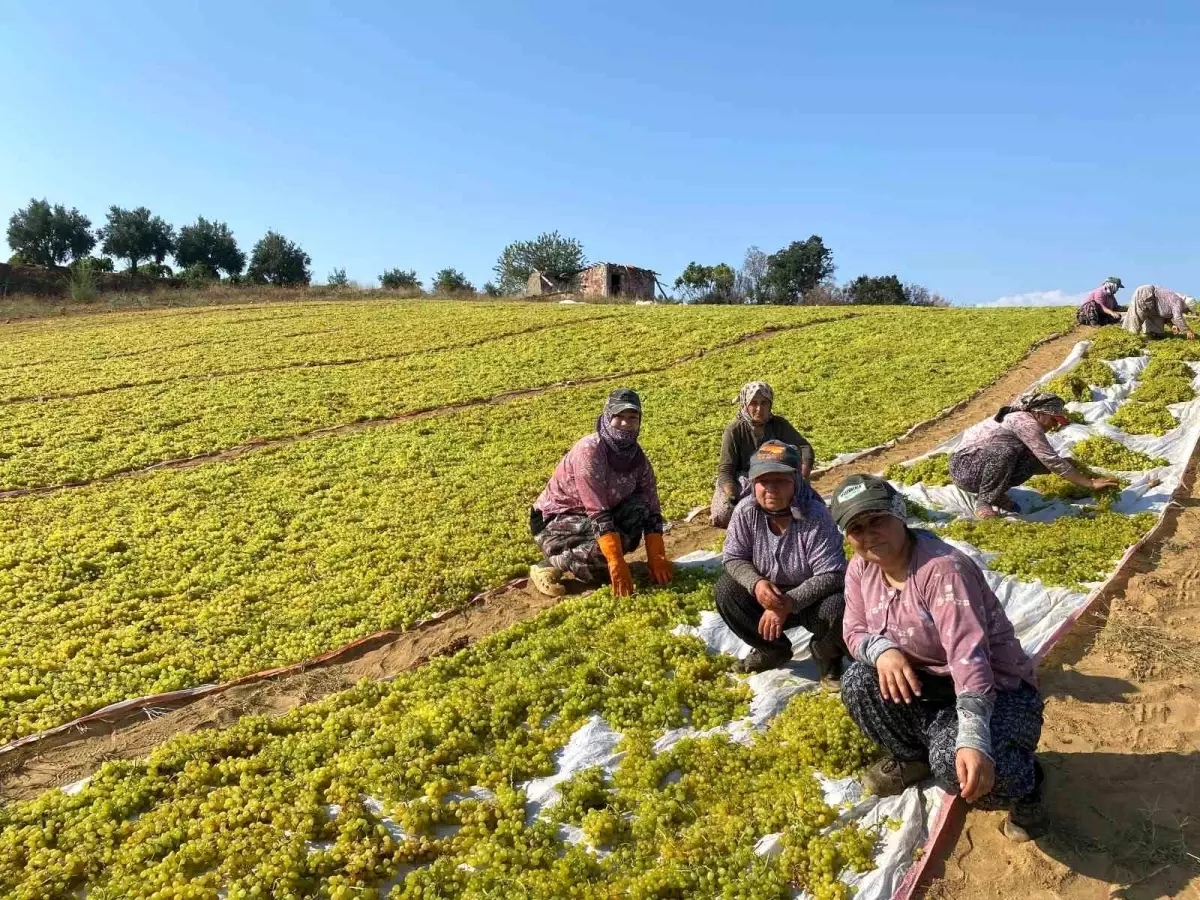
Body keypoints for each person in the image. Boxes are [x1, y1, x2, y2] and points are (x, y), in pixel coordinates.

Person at [831, 474, 1047, 842]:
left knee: (955, 764)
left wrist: (973, 738)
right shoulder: (860, 568)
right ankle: (914, 757)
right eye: (857, 528)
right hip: (929, 684)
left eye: (877, 520)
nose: (869, 535)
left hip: (996, 689)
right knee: (858, 681)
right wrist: (882, 651)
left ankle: (1027, 786)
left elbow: (969, 658)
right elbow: (853, 631)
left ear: (899, 514)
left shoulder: (942, 570)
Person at [715, 440, 847, 680]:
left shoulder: (815, 515)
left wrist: (787, 603)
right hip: (768, 595)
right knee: (726, 590)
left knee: (838, 607)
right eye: (764, 482)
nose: (771, 489)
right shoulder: (746, 512)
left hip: (811, 600)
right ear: (754, 483)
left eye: (781, 481)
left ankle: (827, 655)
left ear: (796, 481)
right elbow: (734, 558)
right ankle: (772, 650)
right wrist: (756, 584)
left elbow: (833, 574)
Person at [529, 387, 673, 597]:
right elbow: (596, 510)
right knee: (602, 561)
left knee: (639, 509)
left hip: (596, 516)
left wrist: (657, 556)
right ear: (607, 416)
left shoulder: (637, 459)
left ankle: (599, 562)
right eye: (618, 416)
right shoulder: (590, 450)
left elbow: (652, 508)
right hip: (557, 519)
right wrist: (615, 560)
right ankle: (550, 563)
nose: (625, 423)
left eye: (632, 417)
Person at [948, 392, 1119, 519]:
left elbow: (1047, 460)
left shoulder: (1028, 419)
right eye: (1054, 420)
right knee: (1006, 453)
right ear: (1040, 413)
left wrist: (1072, 469)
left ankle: (996, 493)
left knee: (1036, 460)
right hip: (965, 468)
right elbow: (1050, 458)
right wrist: (1089, 483)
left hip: (982, 465)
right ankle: (984, 501)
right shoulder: (1025, 421)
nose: (1054, 426)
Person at [711, 381, 815, 528]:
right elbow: (726, 470)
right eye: (754, 403)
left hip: (776, 474)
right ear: (745, 404)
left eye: (764, 403)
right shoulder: (734, 430)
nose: (759, 408)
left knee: (808, 506)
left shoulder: (779, 425)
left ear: (770, 404)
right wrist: (732, 496)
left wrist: (802, 477)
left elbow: (805, 448)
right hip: (745, 481)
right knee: (726, 515)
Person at [1122, 285, 1196, 340]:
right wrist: (1188, 330)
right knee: (1135, 320)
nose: (1187, 312)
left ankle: (1151, 336)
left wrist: (1171, 325)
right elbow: (1178, 317)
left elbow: (1163, 312)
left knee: (1157, 321)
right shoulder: (1178, 301)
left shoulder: (1175, 302)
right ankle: (1129, 339)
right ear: (1187, 306)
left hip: (1152, 305)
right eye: (1188, 310)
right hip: (1145, 294)